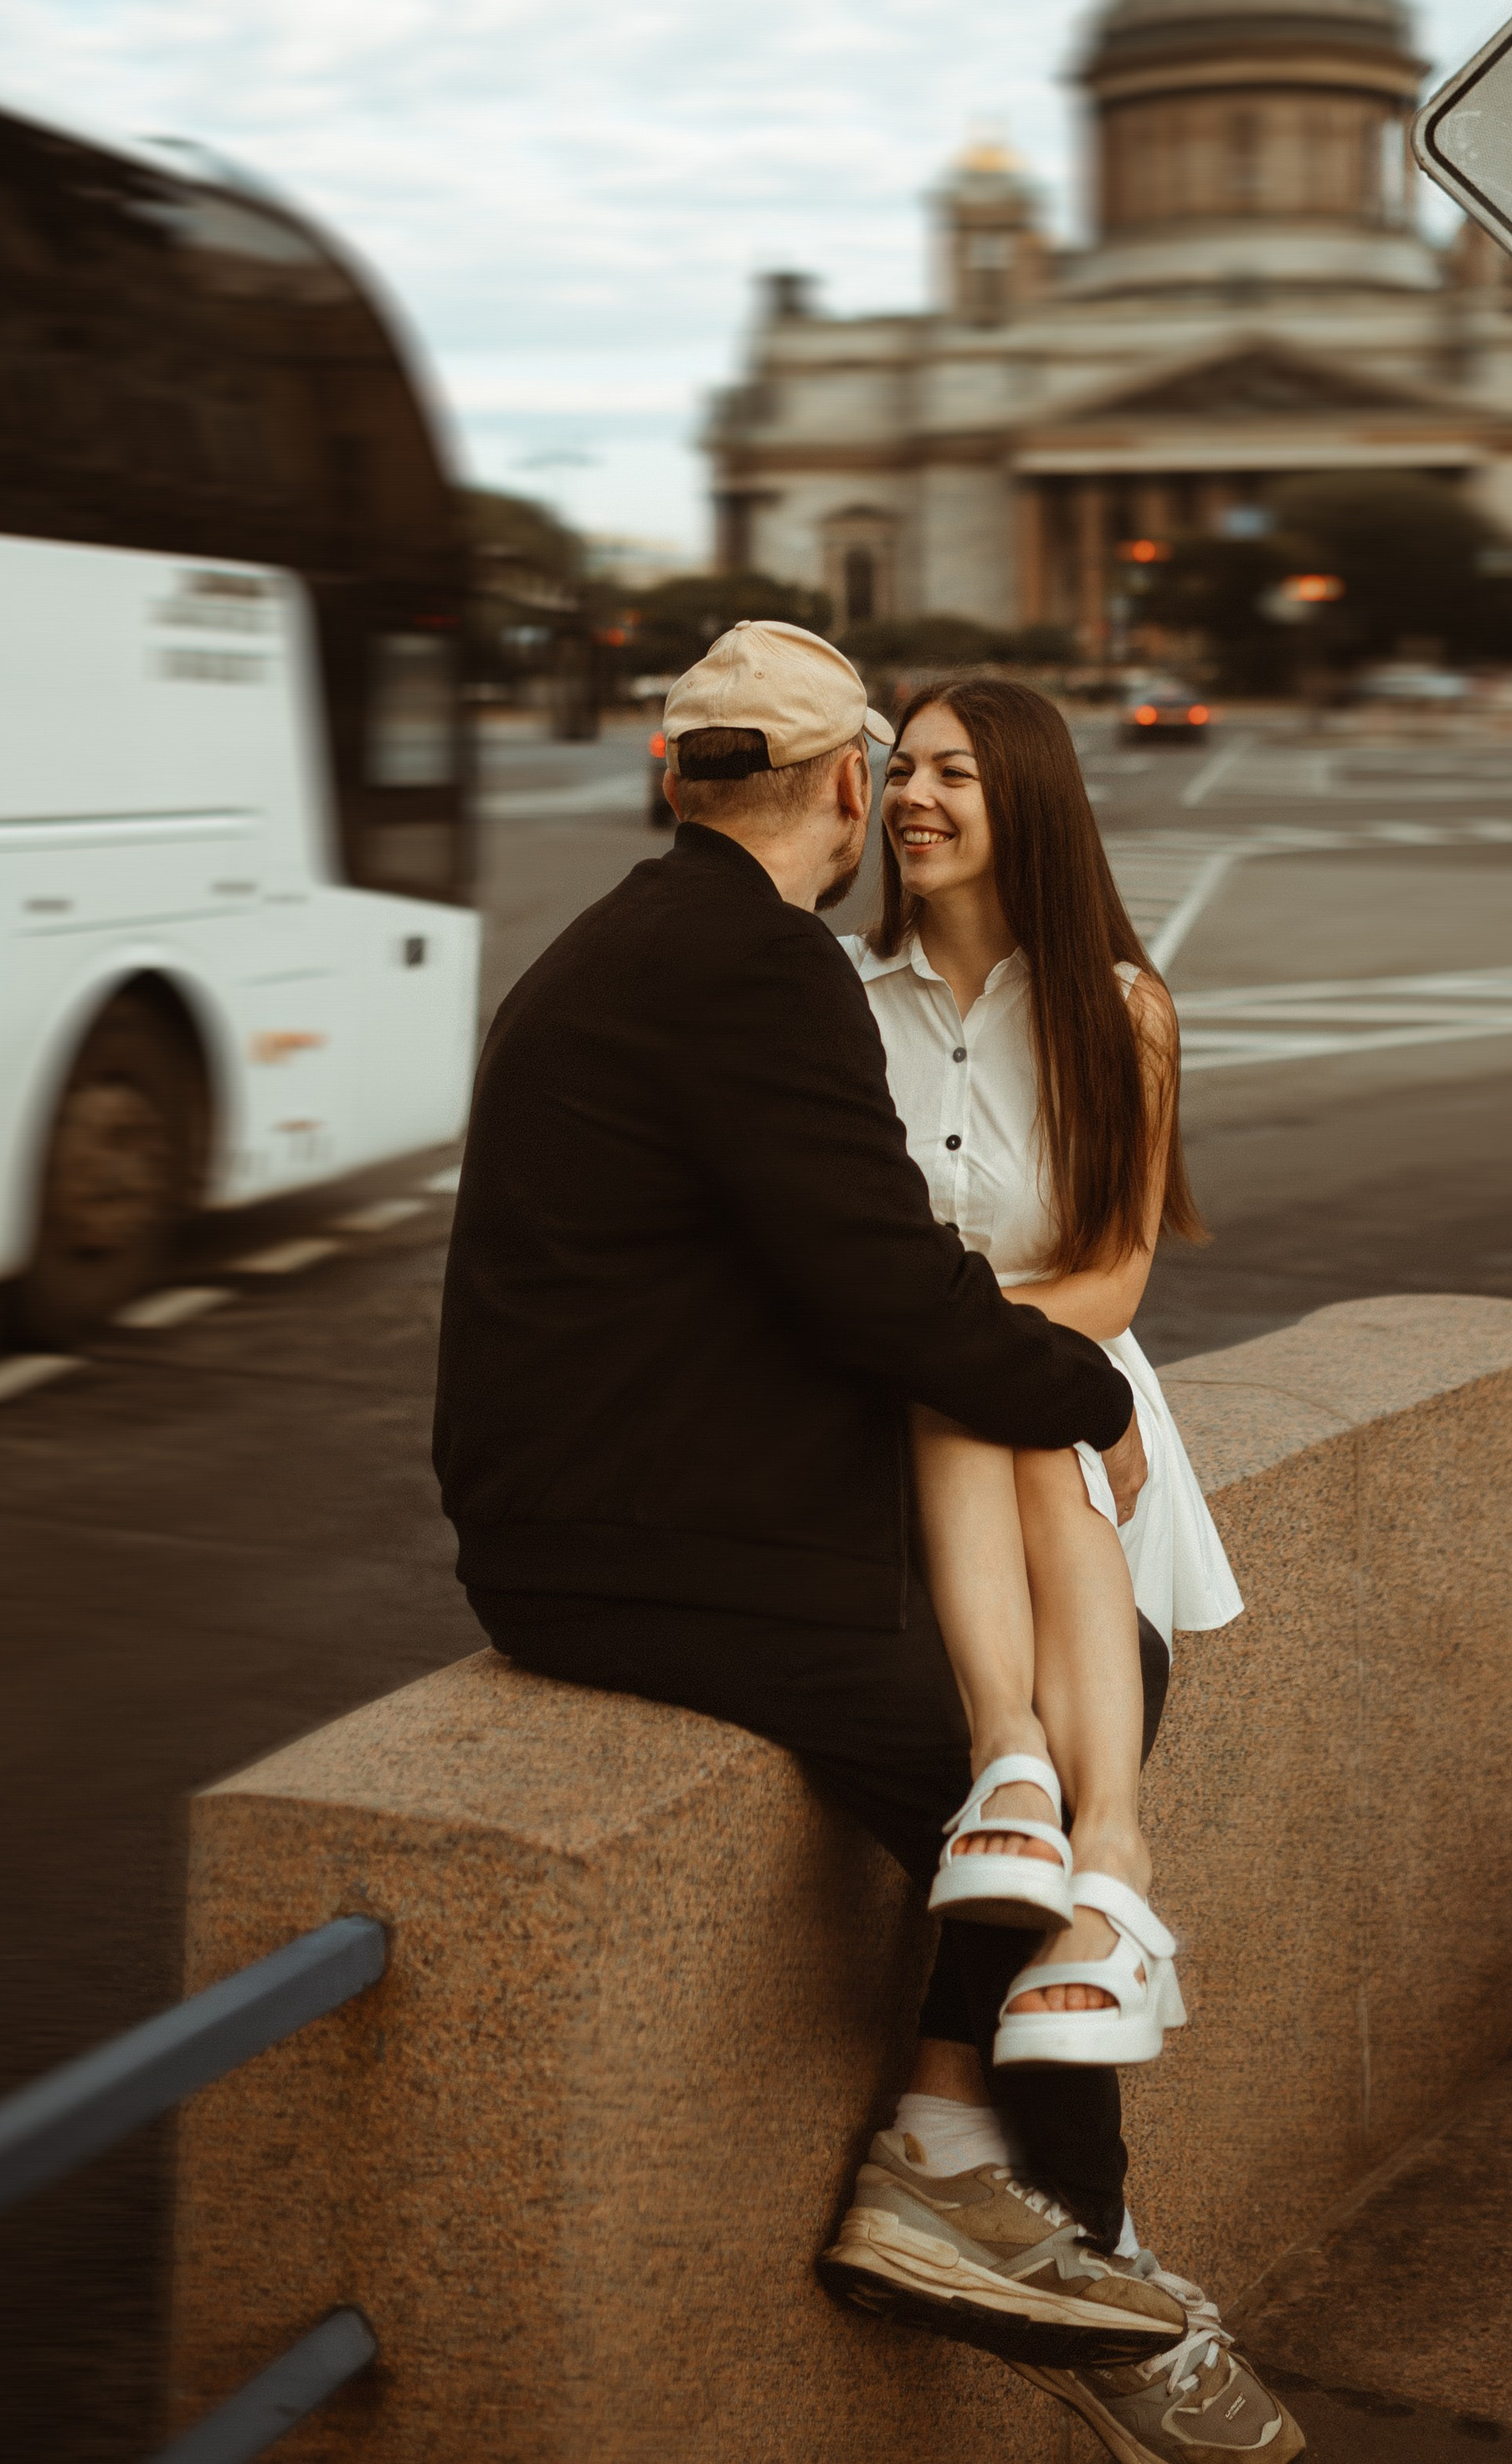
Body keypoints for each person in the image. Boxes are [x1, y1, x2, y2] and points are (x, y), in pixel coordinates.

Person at [432, 620, 1302, 2456]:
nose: (900, 801)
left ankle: (948, 2136)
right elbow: (880, 1291)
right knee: (1042, 1758)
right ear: (840, 787)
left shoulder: (655, 939)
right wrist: (1090, 1404)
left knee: (1098, 1685)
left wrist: (1044, 1388)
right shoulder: (756, 969)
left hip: (643, 1495)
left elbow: (856, 1284)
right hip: (638, 1536)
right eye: (885, 771)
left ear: (677, 774)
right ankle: (1078, 2255)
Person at [852, 677, 1242, 2073]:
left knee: (994, 1377)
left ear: (1027, 797)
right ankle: (1107, 1867)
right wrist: (949, 1329)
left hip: (1050, 1387)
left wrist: (951, 1321)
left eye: (953, 772)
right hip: (935, 1394)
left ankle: (1020, 1774)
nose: (913, 797)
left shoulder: (1124, 1010)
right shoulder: (841, 998)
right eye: (902, 769)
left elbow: (1115, 1276)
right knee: (981, 1372)